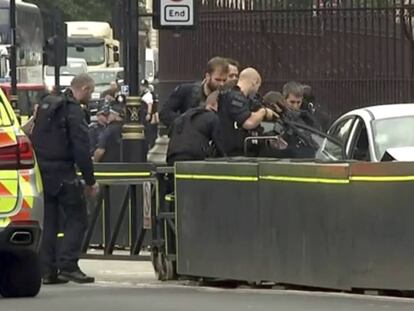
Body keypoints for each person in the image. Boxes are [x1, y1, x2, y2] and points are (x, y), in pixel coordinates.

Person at [31, 73, 98, 284]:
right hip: (63, 172)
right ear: (85, 89)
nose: (91, 96)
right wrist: (89, 180)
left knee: (50, 221)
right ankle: (68, 265)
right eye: (91, 92)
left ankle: (47, 270)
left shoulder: (49, 104)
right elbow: (80, 147)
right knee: (78, 217)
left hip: (43, 171)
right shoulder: (74, 111)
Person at [216, 67, 277, 156]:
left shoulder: (239, 98)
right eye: (258, 86)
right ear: (254, 82)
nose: (257, 90)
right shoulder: (235, 97)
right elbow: (249, 123)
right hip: (233, 154)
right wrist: (264, 112)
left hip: (238, 152)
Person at [159, 56, 229, 128]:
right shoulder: (187, 90)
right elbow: (165, 113)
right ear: (208, 76)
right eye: (217, 80)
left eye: (224, 80)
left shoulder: (225, 97)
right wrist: (187, 124)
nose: (221, 84)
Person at [166, 91, 225, 165]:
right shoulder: (212, 117)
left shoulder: (182, 117)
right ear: (215, 105)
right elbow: (219, 145)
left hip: (172, 158)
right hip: (194, 160)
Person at [140, 79, 159, 149]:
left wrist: (148, 114)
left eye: (143, 86)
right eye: (142, 86)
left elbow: (150, 104)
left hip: (146, 114)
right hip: (143, 114)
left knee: (148, 130)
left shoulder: (148, 94)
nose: (142, 88)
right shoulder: (142, 94)